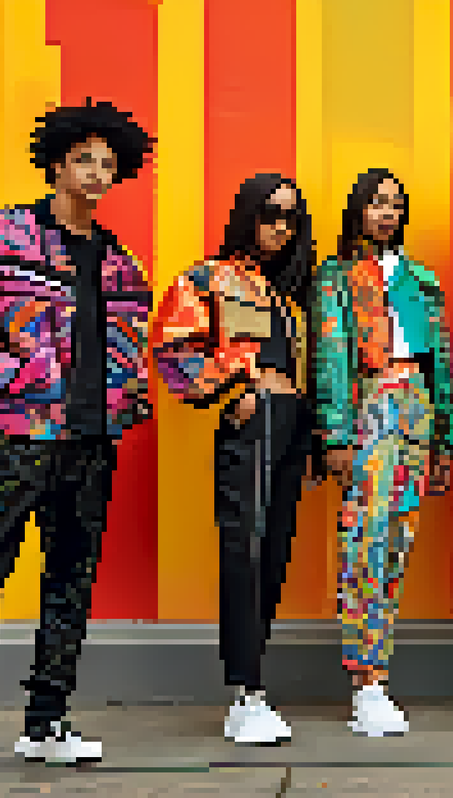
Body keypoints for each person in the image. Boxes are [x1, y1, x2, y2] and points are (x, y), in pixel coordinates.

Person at [0, 99, 155, 779]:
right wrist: (19, 382)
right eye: (84, 158)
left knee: (71, 582)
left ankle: (46, 720)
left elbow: (132, 351)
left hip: (91, 443)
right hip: (19, 439)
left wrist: (127, 399)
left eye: (108, 163)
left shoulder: (121, 265)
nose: (96, 172)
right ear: (56, 162)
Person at [152, 173, 318, 745]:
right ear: (246, 213)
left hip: (294, 427)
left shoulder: (291, 296)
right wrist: (231, 391)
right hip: (253, 424)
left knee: (273, 553)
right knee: (244, 548)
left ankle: (255, 686)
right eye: (270, 213)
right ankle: (244, 692)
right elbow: (173, 349)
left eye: (291, 218)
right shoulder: (209, 279)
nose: (280, 226)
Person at [314, 169, 453, 736]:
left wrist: (443, 438)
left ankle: (381, 671)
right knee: (365, 542)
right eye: (376, 203)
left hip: (417, 407)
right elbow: (329, 357)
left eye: (395, 205)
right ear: (357, 210)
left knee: (400, 539)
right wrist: (335, 435)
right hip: (367, 403)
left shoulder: (422, 282)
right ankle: (365, 679)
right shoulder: (338, 277)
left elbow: (440, 363)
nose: (386, 214)